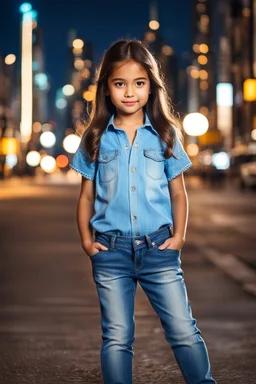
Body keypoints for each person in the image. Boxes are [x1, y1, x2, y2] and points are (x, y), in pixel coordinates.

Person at [70, 39, 216, 384]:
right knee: (117, 336)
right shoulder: (95, 137)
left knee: (182, 329)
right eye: (120, 84)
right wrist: (87, 243)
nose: (129, 93)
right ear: (106, 88)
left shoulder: (165, 135)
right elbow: (85, 197)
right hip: (111, 252)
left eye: (139, 83)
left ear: (151, 86)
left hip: (159, 251)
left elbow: (178, 194)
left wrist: (178, 237)